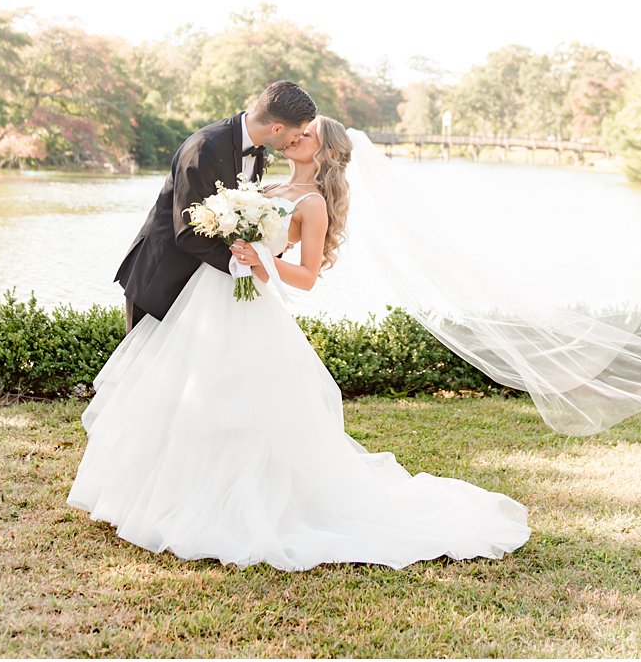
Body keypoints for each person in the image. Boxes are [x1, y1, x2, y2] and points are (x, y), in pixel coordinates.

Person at [71, 114, 533, 571]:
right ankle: (164, 495)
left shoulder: (313, 204)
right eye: (297, 130)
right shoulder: (265, 184)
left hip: (248, 301)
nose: (294, 137)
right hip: (210, 294)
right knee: (188, 394)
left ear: (325, 152)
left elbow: (308, 277)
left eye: (306, 135)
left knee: (241, 408)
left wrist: (260, 262)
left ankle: (235, 507)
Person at [113, 81, 315, 335]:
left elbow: (239, 217)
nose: (297, 139)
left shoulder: (259, 152)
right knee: (144, 371)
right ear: (277, 128)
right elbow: (187, 231)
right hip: (161, 280)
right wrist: (246, 266)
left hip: (206, 289)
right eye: (298, 133)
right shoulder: (204, 147)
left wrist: (267, 244)